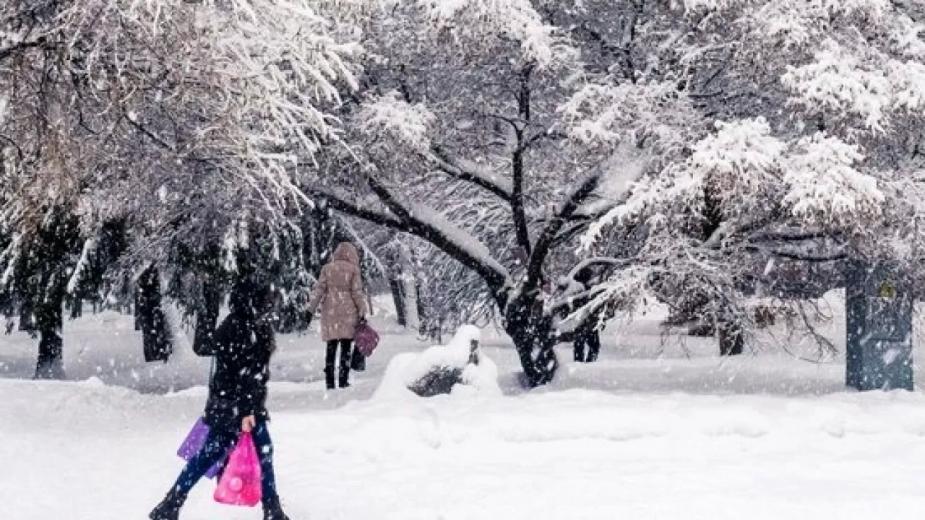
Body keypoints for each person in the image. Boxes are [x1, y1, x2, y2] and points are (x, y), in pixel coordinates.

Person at [149, 281, 290, 520]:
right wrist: (247, 412)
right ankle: (272, 509)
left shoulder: (234, 326)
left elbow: (227, 374)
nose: (268, 305)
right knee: (263, 452)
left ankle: (171, 503)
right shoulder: (248, 330)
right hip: (242, 408)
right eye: (264, 300)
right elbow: (246, 377)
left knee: (206, 456)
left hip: (225, 406)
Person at [308, 242, 368, 390]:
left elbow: (319, 290)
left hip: (330, 312)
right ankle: (343, 380)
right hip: (348, 313)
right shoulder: (353, 270)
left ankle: (329, 381)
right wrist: (362, 311)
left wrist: (310, 309)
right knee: (346, 348)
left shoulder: (327, 269)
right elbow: (357, 293)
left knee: (331, 347)